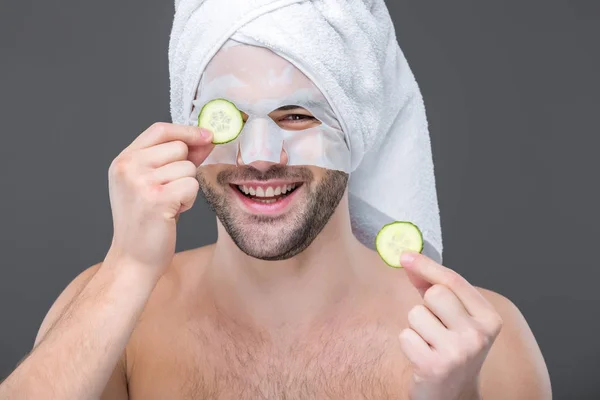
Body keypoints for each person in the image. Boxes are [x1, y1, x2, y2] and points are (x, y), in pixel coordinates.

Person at [0, 1, 551, 399]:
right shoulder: (116, 315)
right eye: (229, 116)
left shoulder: (479, 341)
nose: (260, 156)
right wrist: (128, 266)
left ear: (357, 129)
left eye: (297, 116)